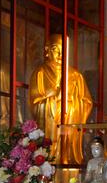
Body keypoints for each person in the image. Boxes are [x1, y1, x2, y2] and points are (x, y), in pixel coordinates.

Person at [29, 34, 93, 165]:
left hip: (70, 120)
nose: (59, 54)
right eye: (55, 49)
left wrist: (72, 104)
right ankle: (49, 159)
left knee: (67, 150)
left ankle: (67, 158)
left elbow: (87, 102)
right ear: (46, 51)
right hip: (51, 122)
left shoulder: (76, 75)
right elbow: (35, 103)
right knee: (49, 152)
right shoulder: (40, 73)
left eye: (62, 50)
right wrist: (54, 99)